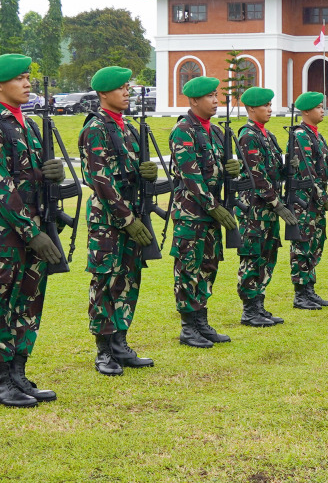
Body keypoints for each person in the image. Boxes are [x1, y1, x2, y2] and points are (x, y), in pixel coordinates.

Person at [0, 54, 68, 406]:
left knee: (29, 299)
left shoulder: (24, 124)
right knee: (3, 301)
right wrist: (31, 233)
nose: (27, 84)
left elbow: (29, 175)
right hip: (7, 232)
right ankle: (0, 381)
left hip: (35, 226)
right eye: (19, 79)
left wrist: (50, 173)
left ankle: (18, 372)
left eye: (28, 77)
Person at [77, 66, 157, 375]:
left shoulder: (127, 128)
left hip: (131, 217)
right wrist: (126, 219)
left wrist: (144, 173)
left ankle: (121, 343)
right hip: (108, 221)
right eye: (121, 87)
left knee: (128, 279)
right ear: (104, 93)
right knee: (106, 281)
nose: (127, 92)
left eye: (128, 87)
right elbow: (101, 180)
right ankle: (104, 349)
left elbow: (128, 171)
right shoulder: (96, 129)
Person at [167, 75, 240, 348]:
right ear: (194, 100)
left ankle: (201, 321)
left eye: (216, 96)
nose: (215, 101)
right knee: (188, 267)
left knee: (209, 265)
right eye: (209, 97)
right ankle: (188, 327)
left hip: (212, 213)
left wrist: (234, 170)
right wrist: (213, 207)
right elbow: (190, 175)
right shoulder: (183, 130)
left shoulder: (217, 131)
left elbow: (220, 170)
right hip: (191, 213)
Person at [232, 86, 289, 327]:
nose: (269, 109)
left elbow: (274, 171)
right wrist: (277, 204)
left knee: (268, 254)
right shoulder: (248, 135)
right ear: (251, 108)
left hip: (268, 209)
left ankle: (259, 304)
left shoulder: (268, 135)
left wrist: (289, 167)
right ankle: (249, 309)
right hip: (254, 208)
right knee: (252, 256)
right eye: (265, 105)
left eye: (270, 104)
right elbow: (257, 176)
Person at [283, 92, 328, 308]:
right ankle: (300, 293)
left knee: (316, 243)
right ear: (305, 111)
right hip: (303, 201)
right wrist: (326, 199)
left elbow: (322, 170)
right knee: (302, 245)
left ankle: (309, 288)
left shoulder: (317, 136)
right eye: (318, 107)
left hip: (315, 201)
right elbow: (307, 174)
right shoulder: (300, 136)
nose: (323, 110)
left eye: (323, 106)